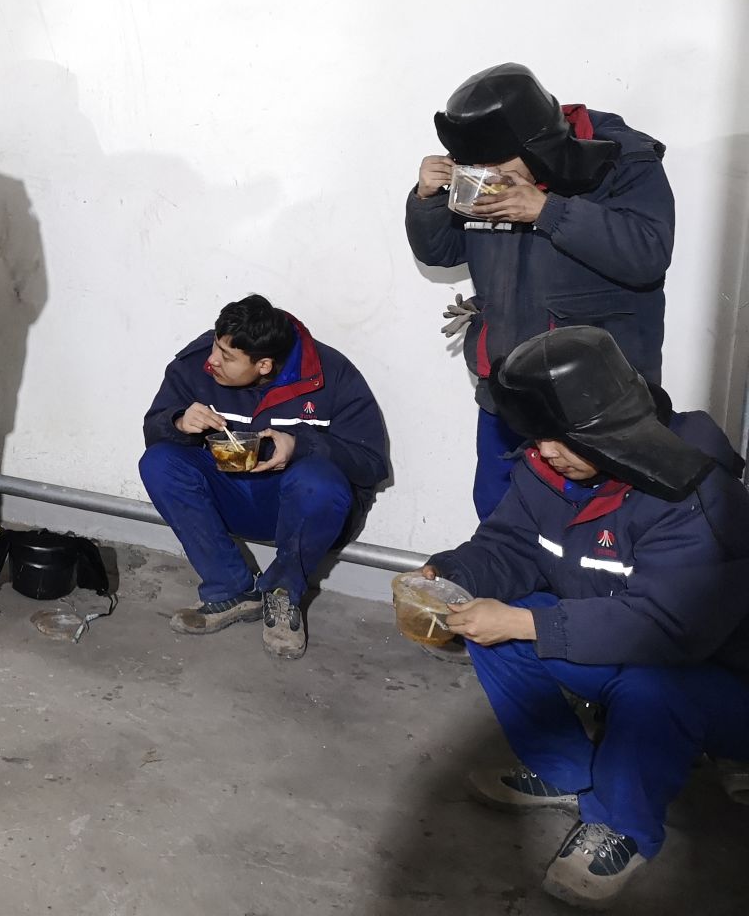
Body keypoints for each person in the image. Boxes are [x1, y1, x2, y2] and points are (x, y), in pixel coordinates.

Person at [423, 326, 749, 910]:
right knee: (485, 625)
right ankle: (566, 771)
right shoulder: (550, 468)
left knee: (653, 686)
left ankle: (621, 825)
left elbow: (670, 629)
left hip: (719, 682)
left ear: (612, 428)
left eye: (561, 437)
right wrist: (450, 574)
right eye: (538, 435)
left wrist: (528, 625)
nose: (545, 451)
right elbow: (511, 545)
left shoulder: (692, 492)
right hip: (627, 645)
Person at [405, 63, 673, 520]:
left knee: (596, 524)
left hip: (599, 399)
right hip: (508, 385)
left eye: (496, 165)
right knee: (498, 511)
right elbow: (442, 252)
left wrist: (548, 211)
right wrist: (426, 199)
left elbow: (648, 253)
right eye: (476, 165)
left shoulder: (624, 159)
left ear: (537, 145)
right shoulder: (483, 163)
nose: (486, 176)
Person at [138, 294, 389, 659]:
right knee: (159, 462)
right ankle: (230, 589)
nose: (212, 360)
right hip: (230, 497)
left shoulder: (331, 375)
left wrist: (301, 445)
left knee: (319, 481)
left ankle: (283, 592)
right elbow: (154, 429)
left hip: (296, 508)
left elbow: (371, 464)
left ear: (264, 365)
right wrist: (177, 422)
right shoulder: (196, 364)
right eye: (216, 345)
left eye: (227, 357)